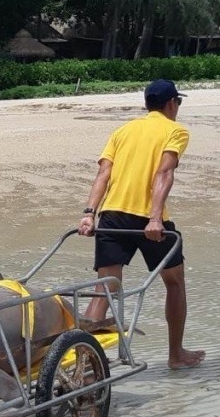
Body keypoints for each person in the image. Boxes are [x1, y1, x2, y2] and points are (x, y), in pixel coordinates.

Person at [78, 79, 205, 370]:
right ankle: (176, 355)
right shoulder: (176, 131)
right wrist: (156, 217)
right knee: (175, 282)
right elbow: (164, 172)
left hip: (111, 216)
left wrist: (89, 213)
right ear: (171, 104)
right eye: (178, 103)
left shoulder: (122, 131)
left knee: (105, 289)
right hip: (149, 221)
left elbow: (103, 175)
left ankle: (80, 364)